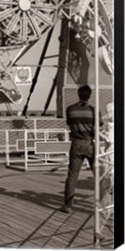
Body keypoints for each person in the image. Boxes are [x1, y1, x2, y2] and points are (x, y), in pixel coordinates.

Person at [59, 85, 103, 213]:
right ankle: (104, 202)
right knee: (98, 175)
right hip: (90, 144)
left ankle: (67, 205)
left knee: (72, 175)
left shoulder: (70, 109)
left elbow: (70, 123)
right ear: (89, 95)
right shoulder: (94, 110)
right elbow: (98, 126)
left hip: (76, 144)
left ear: (78, 94)